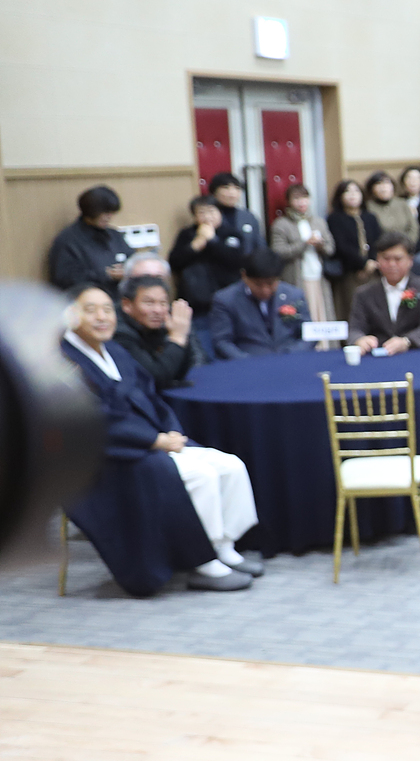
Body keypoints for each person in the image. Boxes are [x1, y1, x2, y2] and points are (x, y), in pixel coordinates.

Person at [61, 286, 260, 595]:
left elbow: (151, 395)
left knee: (230, 466)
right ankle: (203, 563)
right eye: (90, 310)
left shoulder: (114, 351)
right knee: (202, 476)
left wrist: (170, 432)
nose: (102, 317)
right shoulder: (62, 362)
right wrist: (153, 440)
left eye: (107, 310)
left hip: (150, 440)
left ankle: (223, 546)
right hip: (109, 457)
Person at [167, 194, 252, 359]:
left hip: (229, 302)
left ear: (220, 213)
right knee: (205, 351)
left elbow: (236, 261)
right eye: (201, 212)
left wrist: (212, 240)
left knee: (232, 346)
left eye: (211, 211)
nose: (207, 217)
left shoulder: (231, 233)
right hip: (198, 305)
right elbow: (174, 262)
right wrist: (196, 245)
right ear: (194, 216)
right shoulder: (187, 235)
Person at [347, 233, 420, 354]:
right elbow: (355, 328)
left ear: (410, 260)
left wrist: (407, 341)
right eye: (386, 259)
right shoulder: (364, 293)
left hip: (417, 353)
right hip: (378, 355)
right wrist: (359, 339)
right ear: (377, 259)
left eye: (398, 259)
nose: (392, 264)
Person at [208, 249, 310, 358]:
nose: (265, 290)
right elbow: (221, 341)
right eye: (258, 284)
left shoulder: (294, 295)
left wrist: (293, 354)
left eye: (270, 284)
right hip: (249, 362)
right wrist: (248, 361)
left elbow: (309, 333)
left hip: (291, 359)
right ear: (244, 276)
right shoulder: (226, 300)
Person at [114, 275, 203, 388]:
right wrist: (177, 338)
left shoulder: (160, 324)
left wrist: (180, 334)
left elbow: (179, 373)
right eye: (149, 303)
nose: (158, 310)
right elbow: (154, 378)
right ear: (127, 305)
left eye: (163, 303)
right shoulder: (120, 334)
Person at [268, 183, 335, 321]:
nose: (301, 202)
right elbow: (278, 252)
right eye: (296, 198)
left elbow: (331, 249)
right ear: (289, 202)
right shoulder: (281, 224)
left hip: (319, 276)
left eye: (305, 198)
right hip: (296, 276)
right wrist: (304, 243)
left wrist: (320, 245)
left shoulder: (318, 222)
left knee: (322, 314)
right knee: (301, 313)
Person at [48, 185, 132, 293]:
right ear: (91, 211)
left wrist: (128, 269)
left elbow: (133, 259)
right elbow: (64, 279)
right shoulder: (68, 240)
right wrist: (106, 274)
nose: (109, 217)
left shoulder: (114, 235)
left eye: (112, 212)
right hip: (88, 297)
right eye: (105, 212)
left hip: (121, 296)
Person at [328, 179, 380, 321]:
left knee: (375, 309)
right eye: (347, 191)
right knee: (352, 310)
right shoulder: (335, 219)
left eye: (356, 191)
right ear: (340, 197)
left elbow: (378, 241)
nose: (352, 195)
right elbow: (341, 246)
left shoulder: (370, 217)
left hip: (373, 271)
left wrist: (371, 262)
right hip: (349, 273)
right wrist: (362, 264)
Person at [206, 172, 265, 252]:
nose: (232, 193)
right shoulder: (207, 217)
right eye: (226, 188)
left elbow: (260, 245)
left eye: (237, 188)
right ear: (214, 192)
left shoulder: (248, 217)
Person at [363, 170, 418, 244]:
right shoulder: (368, 207)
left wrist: (407, 245)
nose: (384, 187)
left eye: (387, 183)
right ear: (372, 189)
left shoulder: (402, 203)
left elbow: (413, 227)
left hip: (406, 246)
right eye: (379, 184)